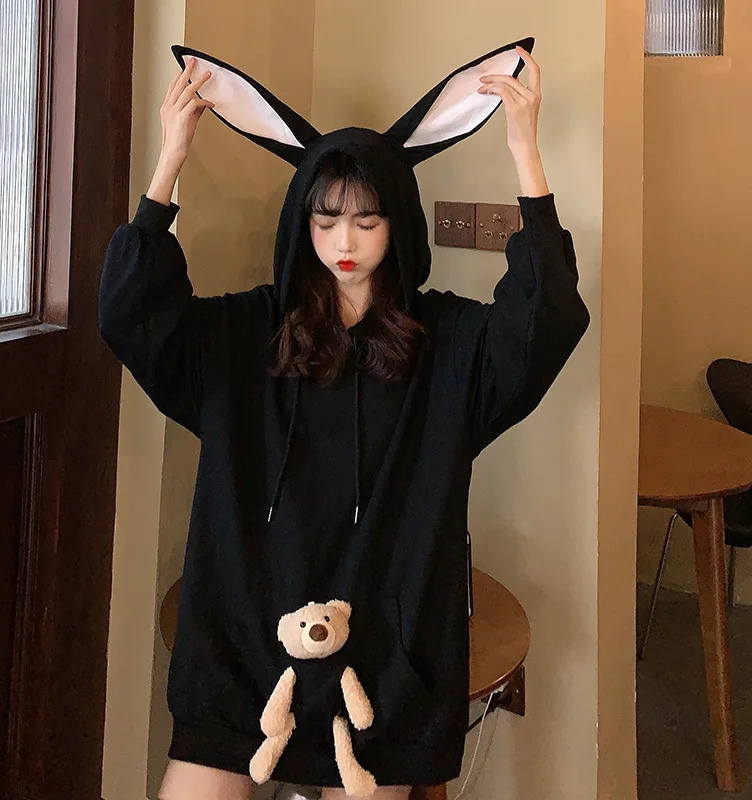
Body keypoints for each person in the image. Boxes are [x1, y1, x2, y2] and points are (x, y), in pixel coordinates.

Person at [99, 39, 589, 800]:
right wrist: (169, 163)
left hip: (387, 658)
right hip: (244, 642)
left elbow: (545, 323)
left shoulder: (446, 347)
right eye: (326, 221)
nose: (346, 243)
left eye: (367, 220)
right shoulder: (246, 338)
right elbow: (131, 317)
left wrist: (525, 155)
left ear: (398, 225)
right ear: (302, 225)